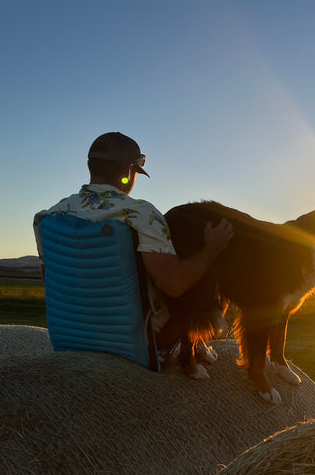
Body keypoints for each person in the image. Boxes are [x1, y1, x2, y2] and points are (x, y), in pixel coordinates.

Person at [33, 132, 233, 369]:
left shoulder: (49, 216)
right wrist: (211, 249)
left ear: (90, 166)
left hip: (72, 338)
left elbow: (50, 278)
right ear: (129, 172)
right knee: (207, 281)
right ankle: (189, 347)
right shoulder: (140, 214)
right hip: (138, 343)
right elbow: (175, 284)